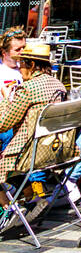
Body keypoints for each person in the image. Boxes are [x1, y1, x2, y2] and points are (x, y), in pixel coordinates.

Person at [0, 39, 69, 187]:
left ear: (31, 65)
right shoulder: (60, 86)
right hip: (57, 151)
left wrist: (6, 98)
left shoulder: (27, 88)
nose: (19, 68)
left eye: (22, 64)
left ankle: (10, 206)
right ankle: (30, 197)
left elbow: (3, 124)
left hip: (27, 155)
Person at [0, 28, 25, 100]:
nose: (22, 52)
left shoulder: (28, 69)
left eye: (24, 47)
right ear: (4, 52)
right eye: (17, 49)